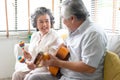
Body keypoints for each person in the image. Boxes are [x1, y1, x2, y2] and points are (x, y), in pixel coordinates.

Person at [26, 0, 108, 80]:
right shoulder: (74, 30)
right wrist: (50, 59)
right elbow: (63, 48)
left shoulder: (94, 34)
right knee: (32, 78)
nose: (63, 22)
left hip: (78, 78)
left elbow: (89, 67)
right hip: (63, 75)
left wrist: (58, 63)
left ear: (72, 18)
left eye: (62, 17)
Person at [12, 7, 63, 80]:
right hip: (33, 66)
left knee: (28, 77)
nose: (44, 24)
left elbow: (53, 59)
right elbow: (32, 56)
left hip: (46, 68)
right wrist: (29, 57)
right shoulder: (34, 35)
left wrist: (35, 65)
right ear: (36, 23)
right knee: (16, 74)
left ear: (51, 22)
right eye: (41, 22)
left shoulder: (55, 36)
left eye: (47, 21)